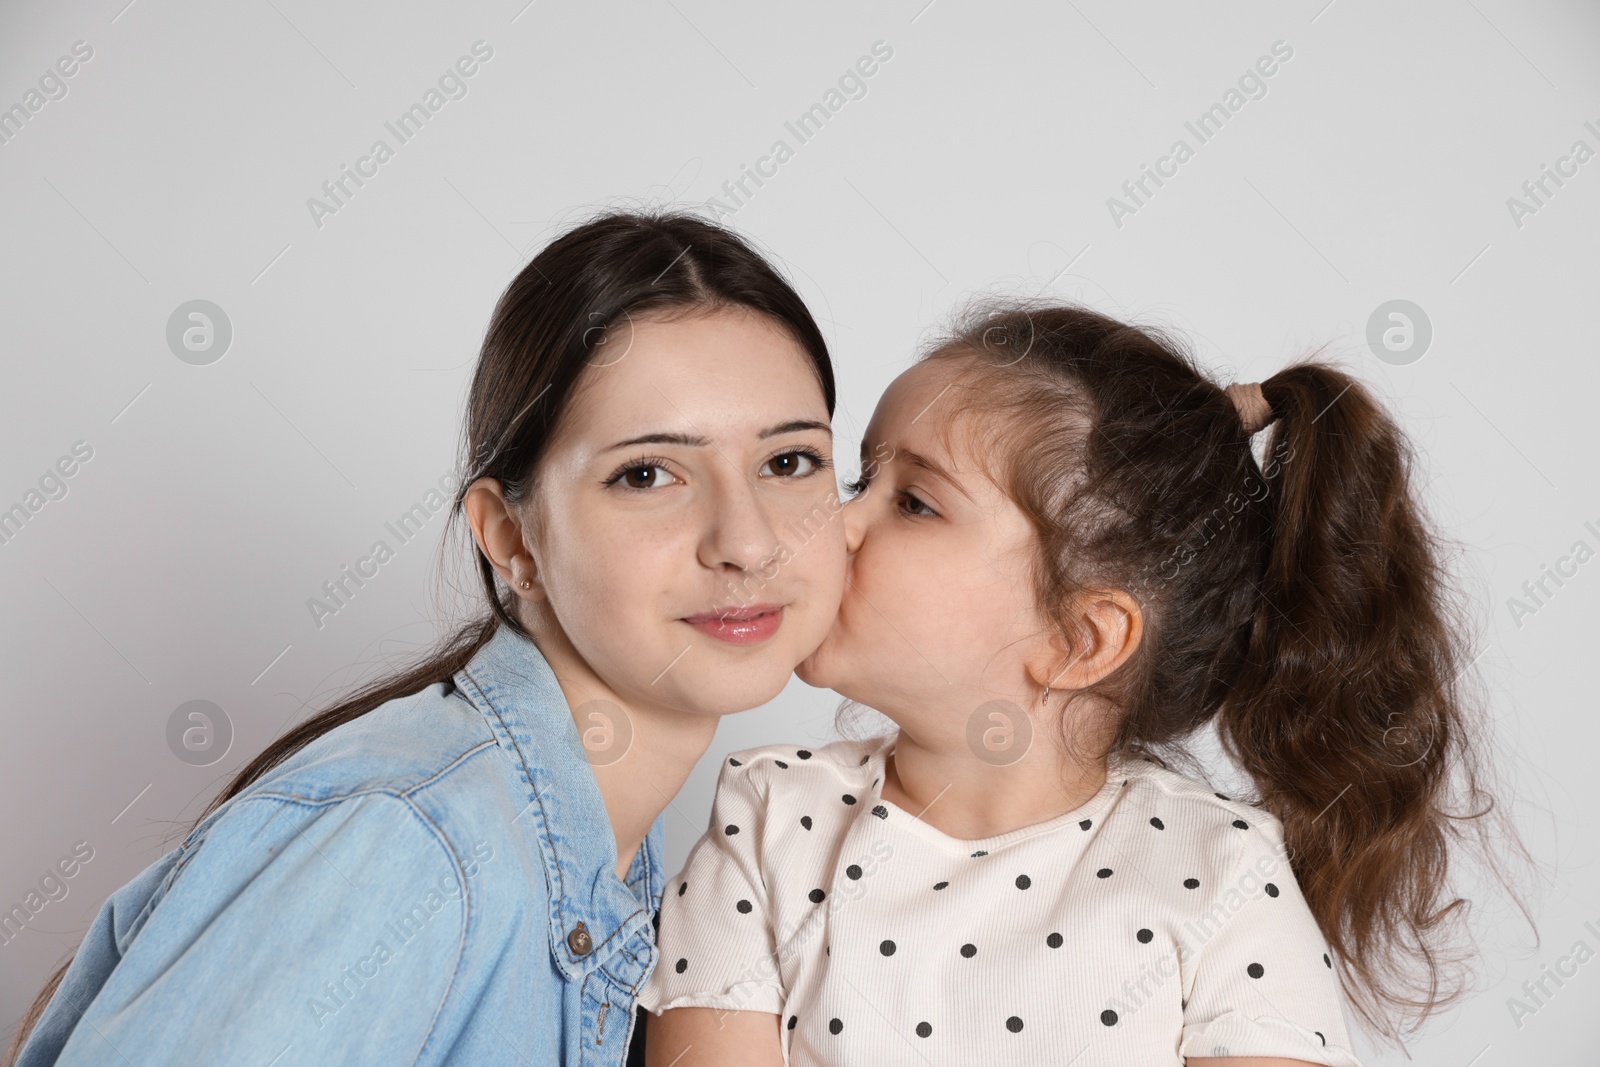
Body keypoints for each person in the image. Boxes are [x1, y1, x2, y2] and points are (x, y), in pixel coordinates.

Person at [5, 210, 849, 1067]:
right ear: (512, 537)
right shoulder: (416, 848)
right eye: (646, 473)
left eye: (789, 462)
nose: (747, 541)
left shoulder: (607, 854)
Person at [641, 302, 1529, 1066]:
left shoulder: (1220, 877)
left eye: (914, 501)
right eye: (862, 476)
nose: (837, 521)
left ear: (1079, 638)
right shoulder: (766, 823)